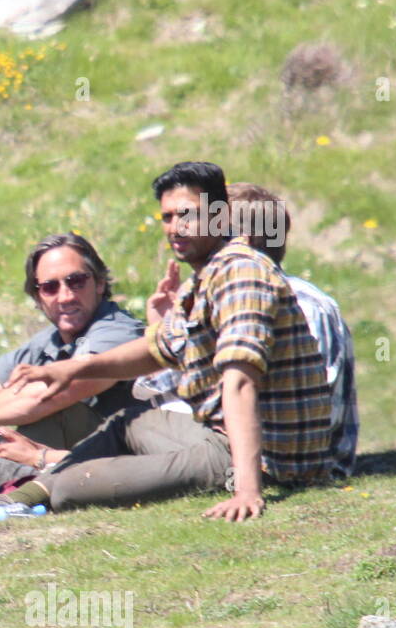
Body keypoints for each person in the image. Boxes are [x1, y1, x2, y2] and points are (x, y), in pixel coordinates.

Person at [0, 162, 332, 522]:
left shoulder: (240, 273)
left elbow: (240, 379)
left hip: (264, 461)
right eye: (167, 217)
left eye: (186, 215)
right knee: (126, 422)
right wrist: (76, 367)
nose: (174, 227)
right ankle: (8, 502)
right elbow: (157, 350)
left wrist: (247, 491)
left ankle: (23, 503)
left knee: (74, 486)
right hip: (215, 436)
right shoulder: (205, 276)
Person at [133, 183, 358, 477]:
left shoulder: (301, 306)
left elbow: (313, 410)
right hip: (263, 454)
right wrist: (166, 329)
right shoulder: (236, 295)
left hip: (286, 463)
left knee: (134, 425)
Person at [0, 234, 144, 502]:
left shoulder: (116, 331)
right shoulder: (49, 341)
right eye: (50, 287)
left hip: (91, 467)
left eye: (76, 281)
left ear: (98, 283)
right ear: (37, 297)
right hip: (34, 462)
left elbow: (54, 393)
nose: (65, 296)